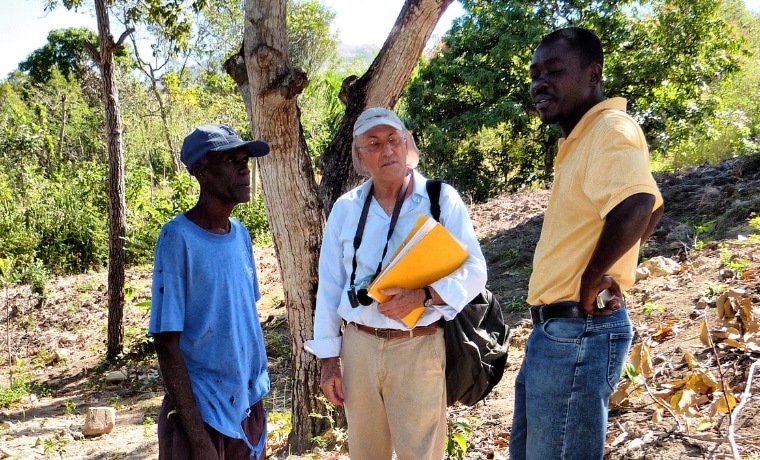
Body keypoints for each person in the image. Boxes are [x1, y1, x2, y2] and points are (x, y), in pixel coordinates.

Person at [510, 27, 665, 460]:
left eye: (554, 71)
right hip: (558, 330)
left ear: (593, 74)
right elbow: (653, 206)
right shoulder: (583, 137)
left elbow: (639, 202)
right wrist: (612, 269)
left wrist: (596, 277)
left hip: (578, 330)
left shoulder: (610, 128)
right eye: (535, 73)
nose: (539, 82)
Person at [304, 107, 487, 459]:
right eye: (373, 143)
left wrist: (424, 295)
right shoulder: (345, 209)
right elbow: (329, 288)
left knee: (421, 453)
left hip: (418, 345)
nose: (386, 150)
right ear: (360, 155)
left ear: (406, 144)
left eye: (392, 140)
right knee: (366, 452)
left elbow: (475, 269)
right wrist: (329, 362)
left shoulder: (439, 199)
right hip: (358, 348)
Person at [149, 124, 272, 459]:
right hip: (204, 413)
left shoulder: (241, 235)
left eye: (245, 160)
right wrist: (199, 439)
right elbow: (166, 340)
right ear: (201, 171)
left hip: (246, 406)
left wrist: (257, 403)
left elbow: (239, 320)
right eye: (232, 160)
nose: (244, 168)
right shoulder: (178, 238)